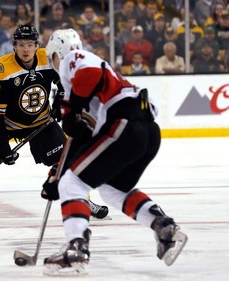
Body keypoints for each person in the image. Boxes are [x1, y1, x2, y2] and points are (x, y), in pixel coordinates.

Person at [42, 29, 188, 275]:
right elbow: (82, 142)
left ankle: (76, 248)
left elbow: (88, 74)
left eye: (53, 58)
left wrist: (71, 106)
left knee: (72, 185)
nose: (54, 64)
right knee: (112, 190)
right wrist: (57, 172)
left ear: (58, 52)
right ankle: (164, 227)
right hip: (145, 133)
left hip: (125, 125)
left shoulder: (74, 59)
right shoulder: (89, 84)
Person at [0, 24, 108, 223]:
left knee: (67, 160)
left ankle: (82, 201)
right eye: (21, 45)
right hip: (4, 124)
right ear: (14, 46)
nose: (26, 49)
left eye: (30, 44)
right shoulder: (1, 69)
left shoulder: (48, 57)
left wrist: (60, 98)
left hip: (41, 121)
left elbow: (65, 78)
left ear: (37, 45)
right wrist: (2, 146)